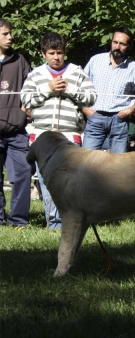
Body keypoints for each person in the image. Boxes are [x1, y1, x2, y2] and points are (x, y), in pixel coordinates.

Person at [21, 32, 97, 230]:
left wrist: (69, 90)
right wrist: (48, 88)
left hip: (70, 134)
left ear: (65, 53)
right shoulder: (35, 74)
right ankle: (54, 223)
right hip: (42, 136)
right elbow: (26, 100)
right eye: (52, 53)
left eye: (60, 53)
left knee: (70, 181)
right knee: (47, 182)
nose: (56, 57)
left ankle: (70, 221)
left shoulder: (77, 72)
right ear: (43, 54)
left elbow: (91, 97)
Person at [81, 27, 135, 154]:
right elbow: (80, 86)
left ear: (130, 46)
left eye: (122, 44)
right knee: (86, 162)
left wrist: (129, 111)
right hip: (95, 116)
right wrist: (86, 109)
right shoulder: (95, 61)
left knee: (118, 166)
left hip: (119, 119)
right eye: (115, 42)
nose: (117, 46)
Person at [0, 18, 31, 228]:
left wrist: (24, 112)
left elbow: (30, 88)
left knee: (24, 172)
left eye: (10, 33)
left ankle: (18, 220)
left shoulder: (19, 60)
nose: (11, 37)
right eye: (5, 34)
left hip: (16, 131)